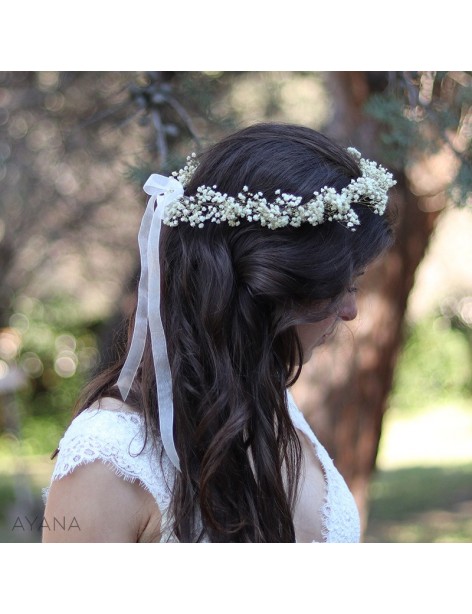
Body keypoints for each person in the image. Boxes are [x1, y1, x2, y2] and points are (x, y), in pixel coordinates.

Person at [42, 122, 395, 543]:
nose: (351, 310)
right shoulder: (109, 457)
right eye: (337, 286)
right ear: (268, 285)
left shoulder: (269, 403)